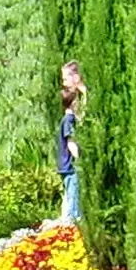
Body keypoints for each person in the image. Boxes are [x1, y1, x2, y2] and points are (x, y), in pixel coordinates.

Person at [55, 68, 86, 227]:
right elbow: (70, 142)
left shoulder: (65, 119)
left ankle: (66, 219)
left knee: (68, 194)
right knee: (73, 194)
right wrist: (79, 157)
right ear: (74, 103)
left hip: (63, 165)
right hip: (70, 166)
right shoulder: (69, 120)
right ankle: (72, 222)